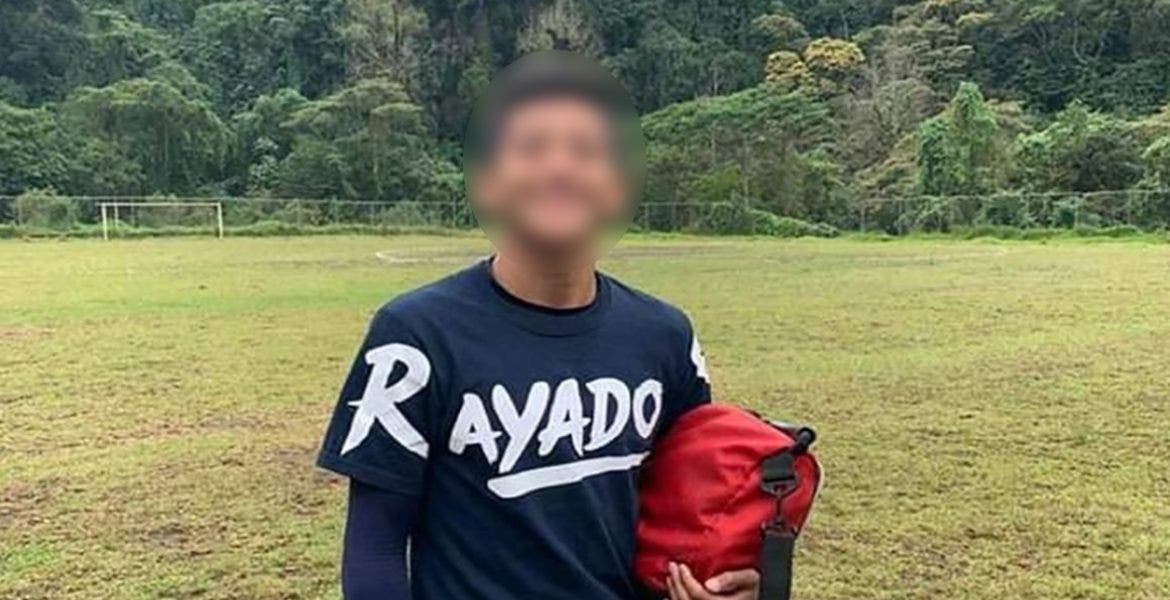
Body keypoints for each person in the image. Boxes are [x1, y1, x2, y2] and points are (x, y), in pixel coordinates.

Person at [316, 51, 760, 600]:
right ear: (487, 184)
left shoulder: (666, 336)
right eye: (530, 147)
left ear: (618, 187)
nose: (560, 168)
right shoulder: (415, 338)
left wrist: (729, 584)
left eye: (587, 151)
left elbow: (689, 510)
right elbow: (375, 549)